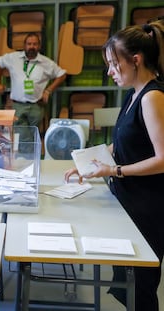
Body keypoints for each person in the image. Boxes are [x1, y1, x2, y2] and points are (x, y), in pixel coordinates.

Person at [65, 20, 164, 311]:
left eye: (113, 63)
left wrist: (114, 171)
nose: (110, 71)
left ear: (136, 60)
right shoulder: (133, 94)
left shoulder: (153, 97)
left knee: (143, 287)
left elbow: (162, 158)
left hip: (147, 206)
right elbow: (121, 144)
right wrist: (85, 162)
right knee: (129, 284)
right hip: (129, 201)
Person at [0, 32, 67, 128]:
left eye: (35, 44)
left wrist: (48, 90)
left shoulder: (46, 62)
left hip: (36, 106)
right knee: (23, 136)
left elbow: (62, 75)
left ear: (39, 46)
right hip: (18, 106)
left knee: (34, 135)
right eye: (29, 44)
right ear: (24, 45)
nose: (32, 47)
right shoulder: (13, 58)